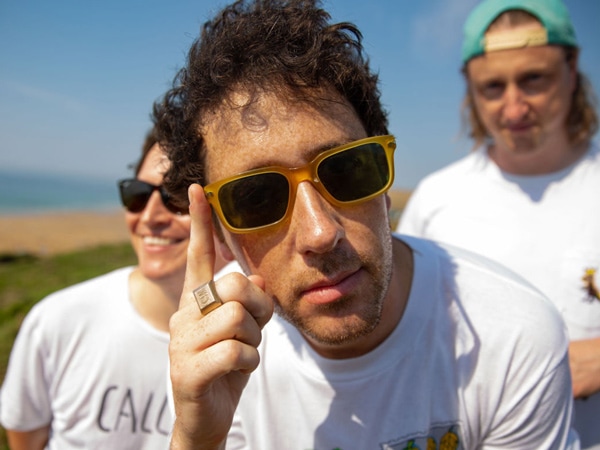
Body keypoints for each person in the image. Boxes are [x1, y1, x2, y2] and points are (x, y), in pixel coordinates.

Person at [155, 0, 579, 448]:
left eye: (347, 170)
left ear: (384, 184)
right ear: (219, 233)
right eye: (258, 198)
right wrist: (196, 439)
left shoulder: (510, 335)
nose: (320, 233)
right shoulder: (213, 351)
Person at [396, 0, 599, 447]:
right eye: (492, 87)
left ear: (571, 68)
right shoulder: (437, 200)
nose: (513, 107)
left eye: (533, 80)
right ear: (469, 88)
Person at [0, 129, 192, 449]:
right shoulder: (57, 319)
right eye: (138, 193)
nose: (149, 216)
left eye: (177, 197)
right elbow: (25, 438)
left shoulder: (262, 345)